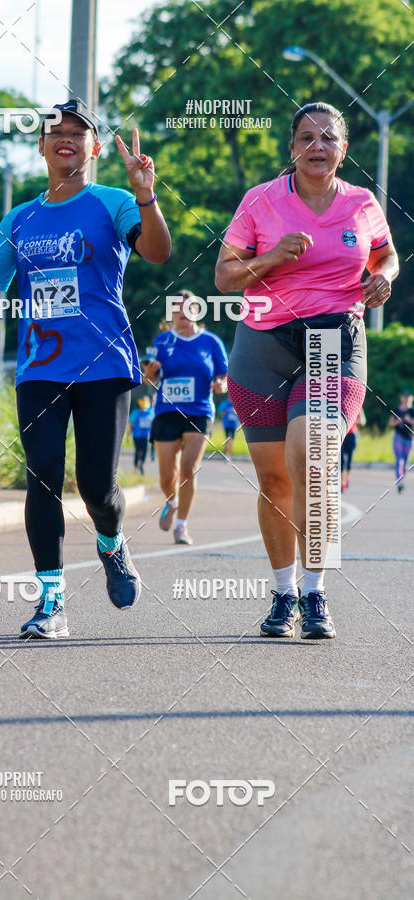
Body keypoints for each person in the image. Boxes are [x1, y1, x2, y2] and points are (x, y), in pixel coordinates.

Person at [0, 99, 171, 639]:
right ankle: (51, 602)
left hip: (104, 365)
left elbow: (160, 253)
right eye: (56, 132)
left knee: (97, 486)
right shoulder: (19, 218)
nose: (66, 138)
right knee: (43, 474)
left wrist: (146, 195)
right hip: (40, 368)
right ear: (43, 146)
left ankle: (111, 544)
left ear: (94, 149)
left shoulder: (114, 202)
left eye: (78, 132)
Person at [215, 101, 399, 640]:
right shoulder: (261, 201)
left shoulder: (362, 203)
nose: (317, 146)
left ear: (343, 150)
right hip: (263, 342)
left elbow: (388, 255)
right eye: (306, 138)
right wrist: (272, 258)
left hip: (332, 338)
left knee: (311, 456)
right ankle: (282, 594)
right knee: (275, 479)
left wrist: (382, 276)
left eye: (328, 138)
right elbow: (226, 277)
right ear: (291, 147)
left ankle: (315, 593)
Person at [143, 290, 228, 545]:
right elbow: (149, 380)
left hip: (200, 410)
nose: (183, 312)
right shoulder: (161, 341)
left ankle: (182, 526)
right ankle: (172, 501)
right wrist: (150, 373)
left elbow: (223, 377)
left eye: (188, 307)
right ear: (171, 314)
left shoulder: (211, 342)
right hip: (167, 411)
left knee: (189, 469)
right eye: (177, 308)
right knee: (167, 477)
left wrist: (221, 386)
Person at [389, 390, 414, 493]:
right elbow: (390, 423)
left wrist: (409, 420)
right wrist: (397, 421)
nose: (406, 399)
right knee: (399, 460)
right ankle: (399, 483)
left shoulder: (412, 411)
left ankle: (402, 481)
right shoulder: (397, 410)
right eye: (405, 396)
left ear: (411, 398)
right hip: (398, 437)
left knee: (405, 462)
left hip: (409, 438)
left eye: (408, 397)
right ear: (401, 398)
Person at [341, 408, 366, 492]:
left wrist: (353, 421)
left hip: (352, 435)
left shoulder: (357, 406)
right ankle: (342, 482)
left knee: (349, 461)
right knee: (342, 460)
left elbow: (363, 421)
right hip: (343, 434)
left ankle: (347, 478)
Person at [128, 395, 154, 474]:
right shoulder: (135, 412)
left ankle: (141, 465)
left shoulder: (150, 412)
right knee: (138, 450)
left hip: (146, 436)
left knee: (145, 451)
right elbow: (131, 424)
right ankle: (135, 466)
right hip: (136, 435)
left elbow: (153, 423)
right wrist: (129, 435)